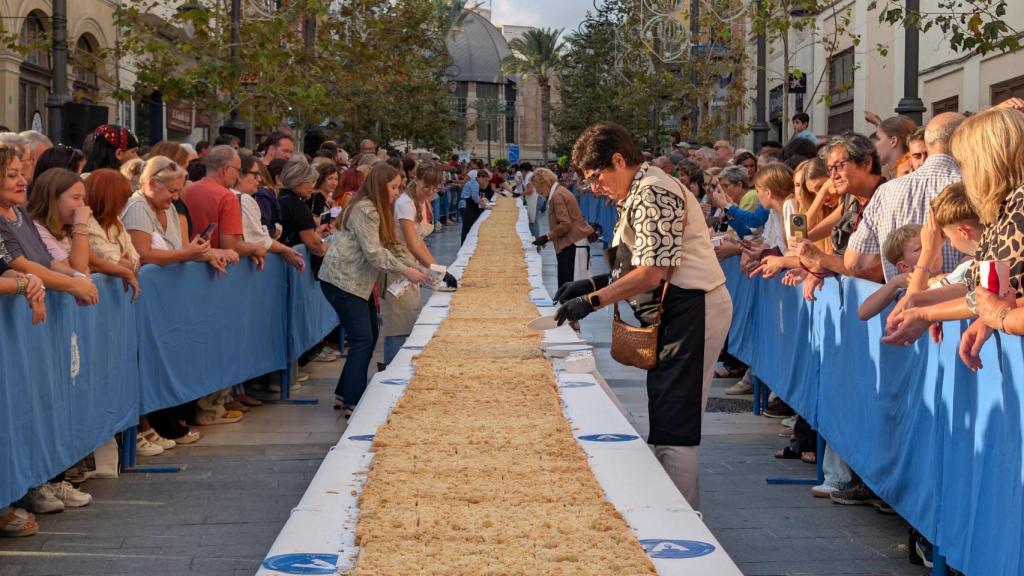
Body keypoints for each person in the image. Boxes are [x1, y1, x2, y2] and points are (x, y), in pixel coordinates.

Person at [554, 122, 732, 510]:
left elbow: (653, 271)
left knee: (677, 421)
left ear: (618, 160)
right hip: (677, 307)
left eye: (596, 177)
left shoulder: (654, 192)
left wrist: (594, 300)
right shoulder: (641, 189)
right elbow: (637, 264)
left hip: (693, 307)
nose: (594, 187)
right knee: (667, 411)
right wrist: (589, 284)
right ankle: (669, 503)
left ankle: (681, 516)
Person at [319, 163, 426, 416]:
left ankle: (344, 393)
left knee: (368, 336)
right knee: (362, 339)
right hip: (344, 282)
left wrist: (416, 265)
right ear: (380, 186)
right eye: (393, 187)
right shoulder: (366, 210)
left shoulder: (376, 209)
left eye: (399, 188)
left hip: (358, 283)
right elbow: (375, 254)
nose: (396, 193)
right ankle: (352, 402)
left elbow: (391, 245)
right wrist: (407, 270)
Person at [844, 113, 965, 282]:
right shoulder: (974, 187)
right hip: (958, 304)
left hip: (902, 300)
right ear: (963, 141)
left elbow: (854, 262)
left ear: (928, 143)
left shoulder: (886, 191)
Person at [0, 146, 98, 306]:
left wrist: (78, 277)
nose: (23, 181)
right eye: (12, 175)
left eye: (22, 174)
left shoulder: (20, 212)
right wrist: (73, 285)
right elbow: (22, 266)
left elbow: (47, 260)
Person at [123, 156, 227, 274]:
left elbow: (178, 251)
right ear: (151, 183)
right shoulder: (137, 207)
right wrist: (188, 253)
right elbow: (143, 256)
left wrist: (204, 254)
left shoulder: (170, 208)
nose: (176, 197)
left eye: (179, 191)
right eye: (172, 191)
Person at [184, 145, 264, 267]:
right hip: (214, 271)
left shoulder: (187, 190)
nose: (238, 176)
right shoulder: (228, 197)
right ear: (226, 169)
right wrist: (255, 247)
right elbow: (231, 246)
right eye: (238, 170)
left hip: (186, 265)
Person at [234, 155, 305, 271]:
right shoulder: (245, 199)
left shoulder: (223, 195)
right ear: (240, 174)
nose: (259, 179)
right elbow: (259, 240)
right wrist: (284, 249)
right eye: (255, 174)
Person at [530, 167, 595, 292]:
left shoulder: (557, 196)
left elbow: (565, 224)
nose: (538, 192)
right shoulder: (560, 191)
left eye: (538, 188)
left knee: (570, 287)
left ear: (544, 184)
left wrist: (547, 237)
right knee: (570, 285)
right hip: (574, 242)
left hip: (573, 244)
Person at [25, 168, 90, 275]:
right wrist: (81, 225)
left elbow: (85, 267)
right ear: (53, 199)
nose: (82, 205)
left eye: (83, 198)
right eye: (76, 198)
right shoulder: (36, 229)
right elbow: (77, 270)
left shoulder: (64, 229)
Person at [857, 224, 922, 320]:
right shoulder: (906, 283)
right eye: (918, 249)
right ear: (903, 266)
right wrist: (894, 283)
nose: (928, 248)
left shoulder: (949, 276)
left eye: (929, 242)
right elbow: (863, 313)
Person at [459, 168, 489, 244]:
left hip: (466, 205)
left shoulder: (474, 182)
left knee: (466, 228)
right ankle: (465, 245)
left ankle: (465, 244)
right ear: (480, 177)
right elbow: (475, 198)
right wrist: (485, 206)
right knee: (468, 227)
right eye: (485, 180)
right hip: (466, 206)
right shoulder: (475, 184)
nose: (485, 182)